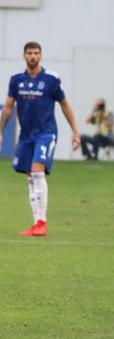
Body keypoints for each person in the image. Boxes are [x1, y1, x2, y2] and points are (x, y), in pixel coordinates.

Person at [0, 41, 80, 236]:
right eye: (29, 53)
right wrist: (1, 131)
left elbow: (65, 105)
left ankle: (41, 223)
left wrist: (75, 132)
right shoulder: (16, 80)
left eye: (36, 53)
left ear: (40, 56)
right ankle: (37, 223)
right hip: (26, 135)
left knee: (37, 171)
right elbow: (9, 107)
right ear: (24, 56)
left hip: (46, 132)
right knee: (30, 176)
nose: (33, 56)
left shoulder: (51, 79)